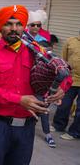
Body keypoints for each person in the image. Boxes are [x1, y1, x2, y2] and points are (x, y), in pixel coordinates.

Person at [0, 5, 72, 165]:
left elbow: (61, 69)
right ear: (0, 26)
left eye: (19, 24)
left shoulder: (36, 51)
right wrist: (19, 100)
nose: (14, 29)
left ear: (24, 26)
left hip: (26, 126)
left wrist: (63, 88)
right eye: (9, 24)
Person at [26, 10, 55, 147]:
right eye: (33, 25)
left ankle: (48, 134)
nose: (36, 28)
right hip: (25, 76)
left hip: (39, 77)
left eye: (38, 25)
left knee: (43, 105)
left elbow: (50, 59)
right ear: (28, 25)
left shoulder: (44, 39)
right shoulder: (22, 37)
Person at [53, 31, 80, 140]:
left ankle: (74, 132)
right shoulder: (71, 41)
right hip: (71, 79)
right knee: (64, 104)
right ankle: (58, 125)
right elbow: (63, 60)